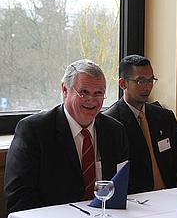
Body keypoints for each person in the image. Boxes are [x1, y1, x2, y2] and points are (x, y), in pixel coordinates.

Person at [4, 59, 128, 214]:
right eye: (83, 92)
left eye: (98, 93)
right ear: (64, 90)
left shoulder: (115, 131)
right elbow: (19, 199)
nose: (91, 100)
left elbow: (123, 189)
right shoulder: (34, 131)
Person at [104, 54, 177, 194]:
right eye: (140, 81)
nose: (147, 87)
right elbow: (114, 175)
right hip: (137, 201)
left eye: (150, 80)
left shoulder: (164, 117)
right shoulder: (111, 122)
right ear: (123, 84)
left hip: (171, 196)